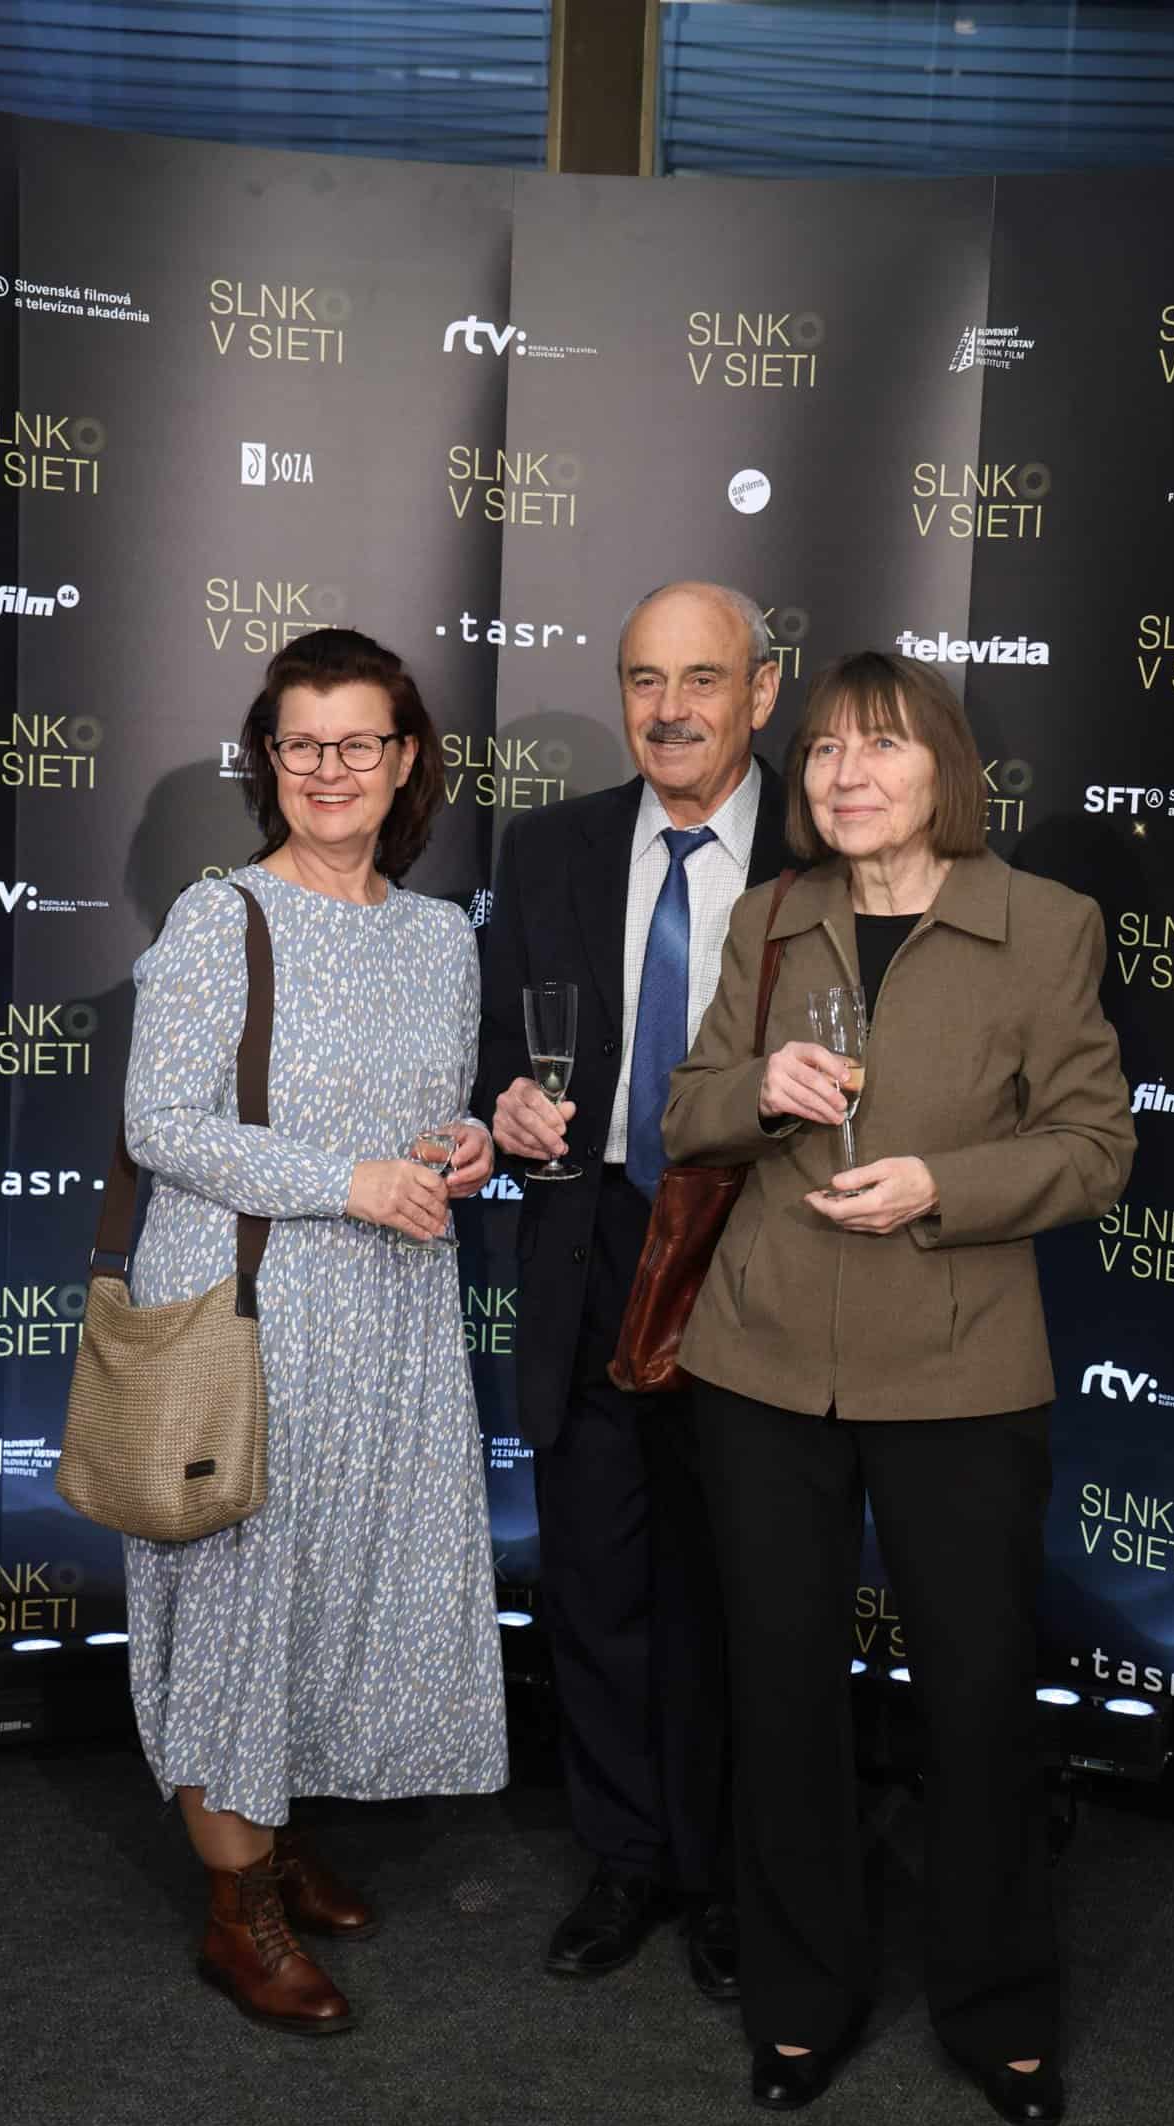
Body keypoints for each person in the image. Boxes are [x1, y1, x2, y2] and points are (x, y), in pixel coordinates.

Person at [661, 649, 1135, 2123]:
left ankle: (1000, 2009)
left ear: (945, 768)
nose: (845, 775)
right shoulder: (770, 915)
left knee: (981, 1698)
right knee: (781, 1690)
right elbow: (685, 1111)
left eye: (880, 747)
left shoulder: (1044, 924)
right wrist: (759, 1091)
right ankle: (801, 2001)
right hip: (760, 1361)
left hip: (960, 1367)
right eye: (822, 752)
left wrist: (944, 1183)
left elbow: (1096, 1147)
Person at [122, 627, 507, 2035]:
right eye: (302, 743)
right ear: (267, 758)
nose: (330, 769)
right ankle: (240, 1913)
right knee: (238, 1599)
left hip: (388, 1315)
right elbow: (161, 1125)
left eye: (359, 743)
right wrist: (350, 1179)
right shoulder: (220, 918)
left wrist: (463, 1146)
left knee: (332, 1587)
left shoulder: (439, 935)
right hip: (250, 1314)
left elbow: (429, 1112)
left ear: (405, 762)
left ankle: (271, 1841)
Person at [477, 582, 787, 1995]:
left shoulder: (828, 850)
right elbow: (496, 1045)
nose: (670, 711)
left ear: (761, 694)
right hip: (594, 1244)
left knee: (738, 1585)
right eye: (644, 680)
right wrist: (506, 1102)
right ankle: (625, 1856)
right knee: (597, 1578)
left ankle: (727, 1873)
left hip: (758, 1250)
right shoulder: (549, 848)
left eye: (702, 679)